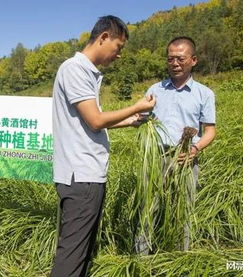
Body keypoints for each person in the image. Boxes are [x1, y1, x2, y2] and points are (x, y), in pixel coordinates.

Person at [51, 15, 156, 277]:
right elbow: (96, 121)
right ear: (104, 38)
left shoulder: (86, 73)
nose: (118, 55)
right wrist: (136, 106)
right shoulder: (75, 69)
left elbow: (88, 124)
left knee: (84, 249)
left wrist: (129, 121)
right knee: (72, 254)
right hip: (81, 176)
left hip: (87, 175)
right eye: (118, 47)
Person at [135, 36, 217, 254]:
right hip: (154, 157)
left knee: (183, 209)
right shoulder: (155, 89)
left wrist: (195, 149)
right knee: (148, 208)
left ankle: (180, 257)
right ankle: (141, 258)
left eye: (180, 59)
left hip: (186, 158)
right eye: (170, 59)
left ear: (193, 60)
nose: (175, 64)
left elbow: (210, 131)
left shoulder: (204, 94)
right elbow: (140, 119)